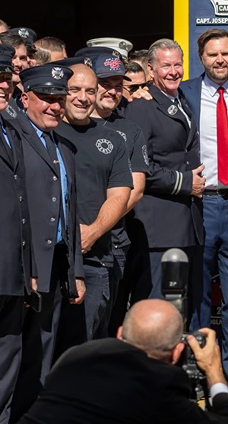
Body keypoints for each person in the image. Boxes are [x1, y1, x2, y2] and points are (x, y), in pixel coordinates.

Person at [179, 29, 228, 396]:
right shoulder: (183, 93)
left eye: (225, 53)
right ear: (202, 58)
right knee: (197, 290)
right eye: (212, 55)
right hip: (200, 202)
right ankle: (198, 367)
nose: (220, 60)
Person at [17, 299, 228, 424]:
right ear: (176, 352)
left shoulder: (74, 356)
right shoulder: (160, 385)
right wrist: (214, 372)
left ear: (119, 333)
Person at [10, 63, 86, 420]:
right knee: (13, 356)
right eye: (46, 99)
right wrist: (26, 271)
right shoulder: (12, 138)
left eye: (59, 99)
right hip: (23, 270)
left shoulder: (63, 145)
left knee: (43, 352)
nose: (54, 106)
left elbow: (68, 213)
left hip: (55, 266)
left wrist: (75, 271)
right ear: (25, 99)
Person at [53, 61, 133, 346]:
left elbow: (120, 195)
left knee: (86, 346)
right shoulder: (46, 132)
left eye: (89, 90)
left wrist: (93, 232)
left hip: (95, 259)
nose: (82, 97)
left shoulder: (113, 139)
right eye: (74, 90)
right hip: (50, 259)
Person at [123, 39, 205, 315]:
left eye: (178, 64)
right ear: (150, 69)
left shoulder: (182, 98)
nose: (173, 71)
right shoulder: (141, 107)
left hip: (184, 222)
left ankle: (169, 357)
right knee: (155, 307)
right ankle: (148, 358)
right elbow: (140, 167)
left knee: (176, 305)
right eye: (166, 66)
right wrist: (184, 182)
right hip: (157, 225)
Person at [0, 45, 33, 424]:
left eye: (6, 78)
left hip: (13, 274)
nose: (1, 85)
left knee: (5, 367)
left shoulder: (10, 128)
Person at [84, 54, 149, 337]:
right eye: (104, 83)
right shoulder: (64, 126)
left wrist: (97, 228)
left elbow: (136, 189)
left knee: (104, 322)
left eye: (117, 84)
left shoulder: (129, 130)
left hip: (114, 243)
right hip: (73, 242)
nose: (112, 90)